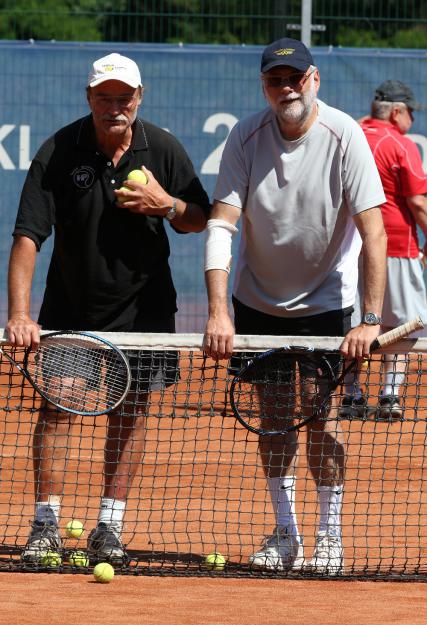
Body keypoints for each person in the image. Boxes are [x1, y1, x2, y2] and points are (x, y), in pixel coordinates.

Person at [7, 52, 210, 565]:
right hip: (70, 308)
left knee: (131, 412)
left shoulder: (162, 148)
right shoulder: (59, 150)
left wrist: (166, 205)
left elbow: (199, 218)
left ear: (139, 98)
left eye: (123, 97)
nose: (114, 107)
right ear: (89, 98)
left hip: (145, 311)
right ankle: (45, 525)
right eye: (104, 97)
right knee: (58, 405)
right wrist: (20, 314)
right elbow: (28, 235)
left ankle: (109, 526)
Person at [203, 37, 387, 575]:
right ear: (264, 85)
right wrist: (219, 311)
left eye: (295, 78)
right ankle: (286, 534)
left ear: (314, 80)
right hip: (258, 302)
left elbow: (373, 233)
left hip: (328, 303)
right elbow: (221, 225)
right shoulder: (245, 136)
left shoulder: (345, 135)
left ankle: (330, 536)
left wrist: (370, 320)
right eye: (275, 80)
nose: (286, 88)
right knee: (276, 421)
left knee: (322, 419)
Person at [340, 80, 427, 421]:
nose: (412, 120)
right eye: (410, 113)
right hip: (396, 245)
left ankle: (351, 395)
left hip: (348, 246)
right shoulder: (401, 144)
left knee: (351, 321)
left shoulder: (348, 133)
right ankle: (389, 396)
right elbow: (418, 203)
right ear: (396, 112)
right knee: (400, 324)